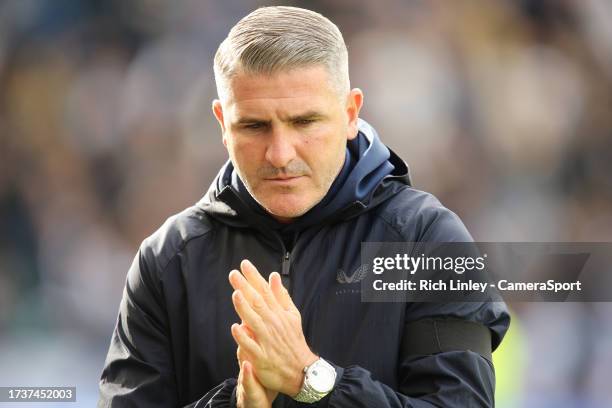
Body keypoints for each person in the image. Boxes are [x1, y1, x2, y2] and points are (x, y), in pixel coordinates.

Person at [98, 6, 509, 408]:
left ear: (350, 113)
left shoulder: (428, 241)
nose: (279, 154)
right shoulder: (167, 259)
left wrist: (310, 379)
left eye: (304, 122)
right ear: (223, 123)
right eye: (254, 126)